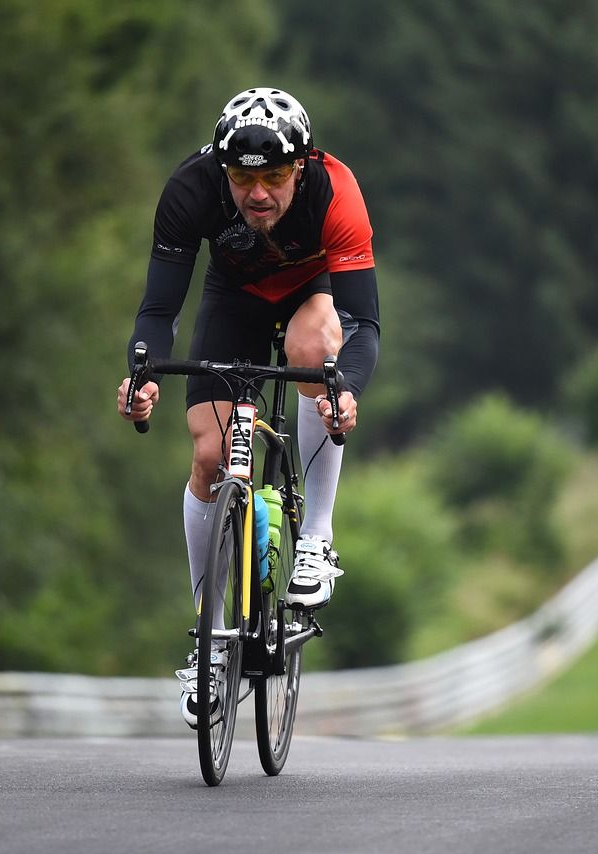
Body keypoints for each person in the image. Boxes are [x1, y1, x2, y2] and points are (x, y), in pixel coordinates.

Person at [115, 87, 380, 727]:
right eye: (242, 179)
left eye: (274, 177)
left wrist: (344, 387)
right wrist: (141, 374)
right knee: (209, 455)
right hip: (232, 299)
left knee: (312, 345)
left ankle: (315, 538)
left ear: (302, 166)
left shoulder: (336, 191)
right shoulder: (190, 188)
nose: (257, 194)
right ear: (221, 170)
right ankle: (207, 643)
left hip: (312, 294)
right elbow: (157, 311)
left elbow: (364, 323)